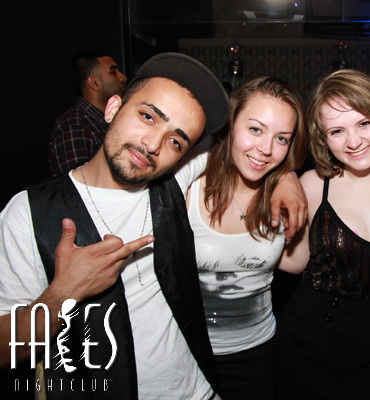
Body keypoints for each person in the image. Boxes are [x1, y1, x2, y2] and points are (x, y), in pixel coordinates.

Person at [0, 53, 307, 400]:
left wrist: (287, 176)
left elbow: (251, 151)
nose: (152, 145)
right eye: (147, 116)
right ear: (113, 107)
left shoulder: (173, 184)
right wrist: (63, 294)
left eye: (176, 140)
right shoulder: (30, 213)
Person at [275, 69, 370, 400]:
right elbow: (294, 263)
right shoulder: (313, 185)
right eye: (337, 131)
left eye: (364, 123)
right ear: (323, 138)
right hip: (308, 347)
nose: (353, 142)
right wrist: (278, 178)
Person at [186, 76, 307, 399]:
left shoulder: (282, 196)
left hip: (256, 354)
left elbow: (295, 263)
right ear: (230, 123)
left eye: (281, 138)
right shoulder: (189, 185)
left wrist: (291, 177)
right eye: (255, 129)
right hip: (186, 352)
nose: (266, 149)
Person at [48, 50, 127, 177]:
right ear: (94, 83)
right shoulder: (75, 125)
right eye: (113, 72)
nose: (123, 77)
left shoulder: (111, 120)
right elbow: (79, 183)